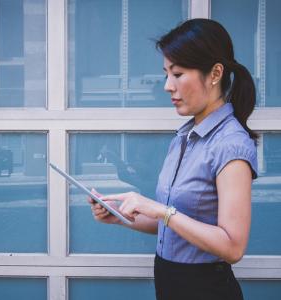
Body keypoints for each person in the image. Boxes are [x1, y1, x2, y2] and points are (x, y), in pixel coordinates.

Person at [88, 18, 258, 300]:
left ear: (215, 73)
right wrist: (119, 215)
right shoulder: (184, 136)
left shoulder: (230, 144)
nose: (167, 85)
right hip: (169, 282)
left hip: (205, 290)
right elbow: (173, 223)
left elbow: (233, 247)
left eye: (177, 74)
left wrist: (160, 210)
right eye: (166, 73)